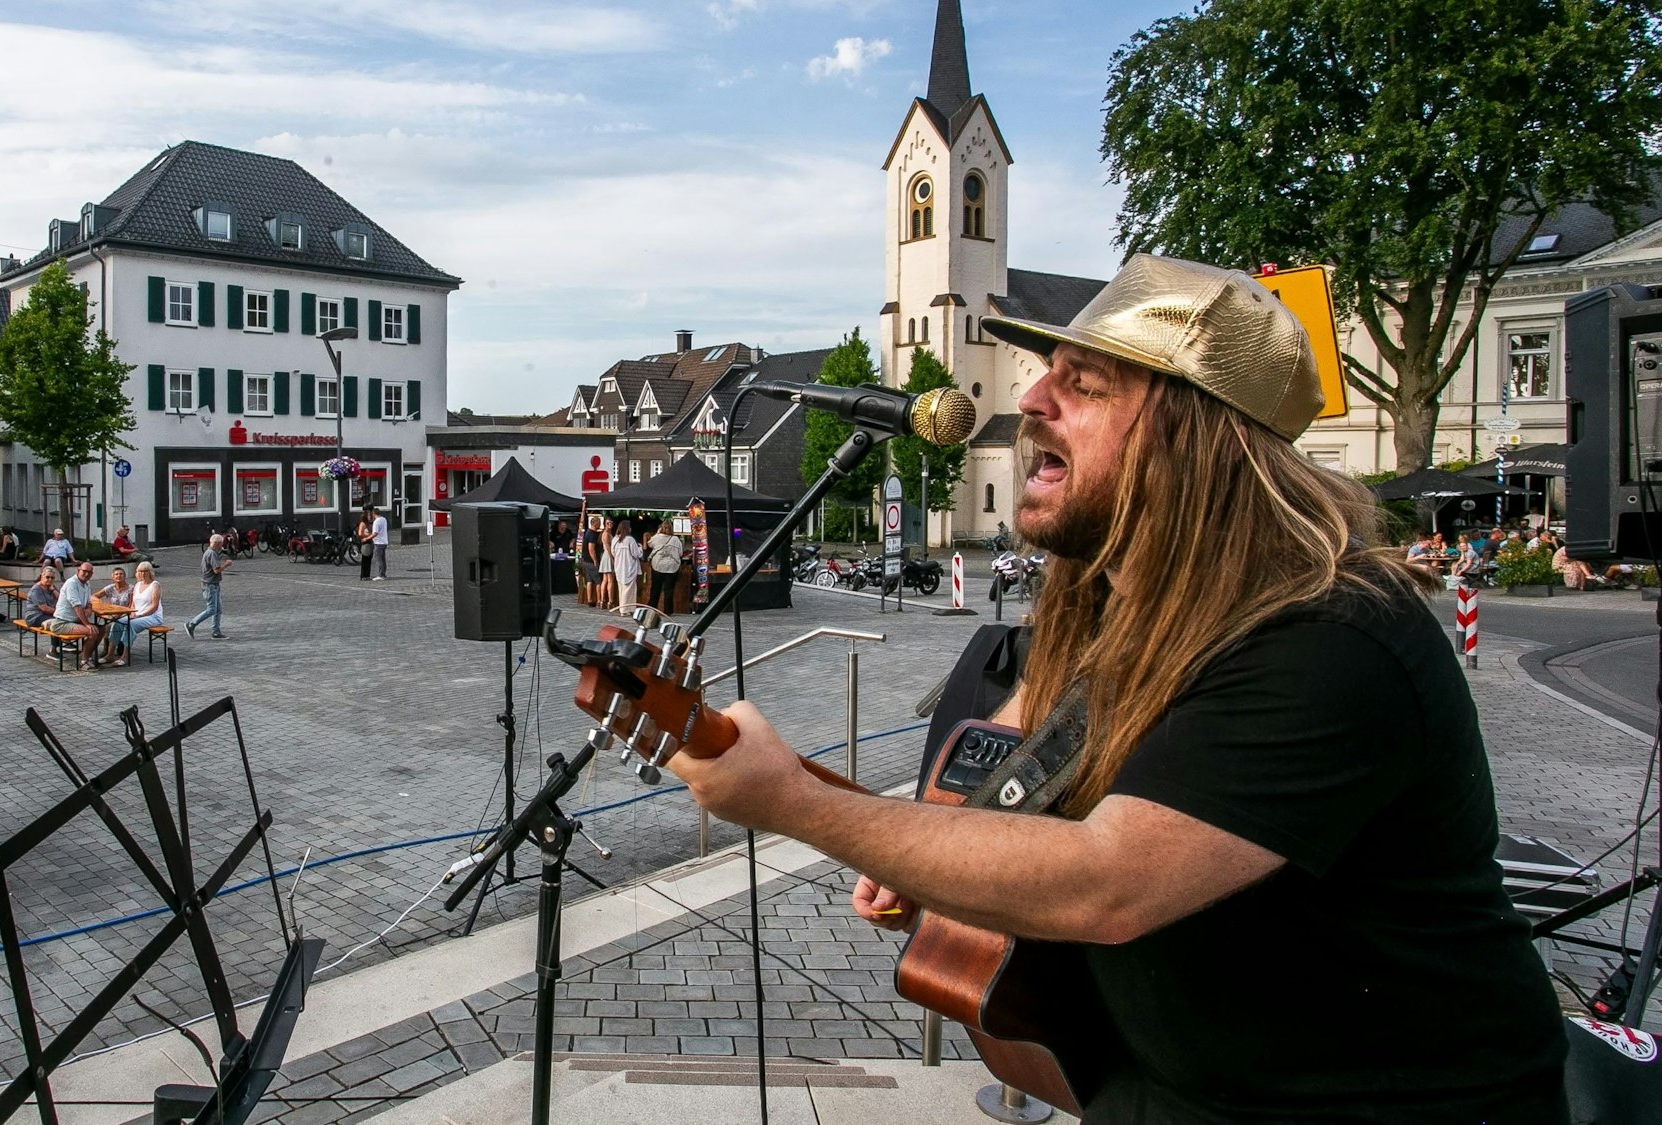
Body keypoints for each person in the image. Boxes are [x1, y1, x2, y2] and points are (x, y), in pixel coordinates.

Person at [663, 255, 1565, 1122]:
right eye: (1048, 372)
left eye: (1086, 385)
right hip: (1157, 1092)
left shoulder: (1329, 632)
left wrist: (799, 803)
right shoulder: (1106, 598)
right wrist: (922, 850)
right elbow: (1016, 777)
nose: (1030, 400)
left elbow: (1108, 878)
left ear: (1197, 434)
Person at [51, 560, 103, 668]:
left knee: (102, 629)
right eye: (84, 571)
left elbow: (89, 602)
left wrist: (89, 608)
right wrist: (87, 624)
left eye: (89, 572)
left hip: (75, 621)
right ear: (78, 570)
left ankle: (85, 655)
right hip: (61, 623)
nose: (86, 574)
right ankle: (84, 662)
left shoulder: (86, 583)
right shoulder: (71, 583)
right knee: (92, 631)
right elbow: (77, 607)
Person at [186, 534, 230, 639]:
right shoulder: (212, 554)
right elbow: (216, 570)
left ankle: (216, 631)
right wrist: (226, 564)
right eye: (221, 543)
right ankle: (191, 624)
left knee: (218, 609)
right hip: (210, 585)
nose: (222, 545)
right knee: (211, 609)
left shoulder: (210, 552)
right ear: (218, 543)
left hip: (213, 584)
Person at [122, 560, 164, 666]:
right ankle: (109, 653)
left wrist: (139, 615)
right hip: (137, 615)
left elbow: (154, 606)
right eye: (140, 571)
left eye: (145, 571)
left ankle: (125, 656)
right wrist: (132, 613)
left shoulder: (155, 585)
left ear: (150, 572)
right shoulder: (137, 585)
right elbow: (133, 604)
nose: (142, 574)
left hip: (152, 617)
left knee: (129, 624)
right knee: (117, 622)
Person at [98, 566, 135, 665]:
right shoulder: (110, 588)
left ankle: (117, 650)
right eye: (116, 574)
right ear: (113, 577)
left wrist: (119, 615)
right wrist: (102, 606)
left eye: (121, 574)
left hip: (125, 615)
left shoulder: (131, 588)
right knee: (105, 625)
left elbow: (130, 605)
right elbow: (95, 596)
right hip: (111, 615)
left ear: (125, 576)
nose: (119, 576)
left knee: (113, 625)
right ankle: (106, 650)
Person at [646, 522, 684, 615]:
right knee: (669, 590)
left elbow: (649, 544)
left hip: (658, 565)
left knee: (655, 588)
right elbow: (680, 553)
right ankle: (668, 611)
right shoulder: (675, 539)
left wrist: (657, 533)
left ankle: (652, 608)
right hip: (672, 567)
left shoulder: (657, 537)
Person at [609, 519, 641, 615]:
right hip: (630, 567)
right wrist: (640, 548)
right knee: (629, 590)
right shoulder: (630, 540)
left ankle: (625, 609)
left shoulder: (615, 539)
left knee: (622, 589)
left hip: (619, 567)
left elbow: (613, 553)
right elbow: (636, 554)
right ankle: (626, 609)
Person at [369, 506, 390, 580]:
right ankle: (383, 574)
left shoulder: (376, 522)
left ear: (374, 514)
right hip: (384, 541)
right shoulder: (384, 519)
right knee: (383, 559)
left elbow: (375, 533)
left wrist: (368, 538)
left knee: (378, 559)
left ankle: (381, 575)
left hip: (378, 542)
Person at [356, 510, 375, 580]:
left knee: (369, 559)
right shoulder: (363, 523)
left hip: (369, 542)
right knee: (365, 559)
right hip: (365, 542)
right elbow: (360, 533)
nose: (370, 517)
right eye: (369, 515)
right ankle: (363, 575)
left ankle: (367, 575)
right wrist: (368, 535)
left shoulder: (369, 524)